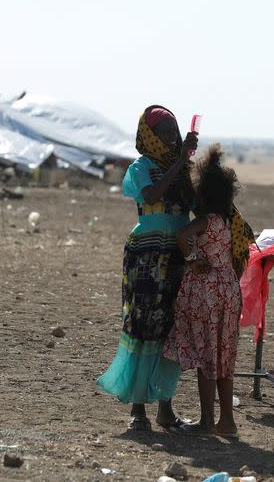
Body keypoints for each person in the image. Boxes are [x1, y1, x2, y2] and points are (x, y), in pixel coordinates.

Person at [97, 105, 198, 431]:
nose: (171, 137)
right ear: (149, 135)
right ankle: (138, 408)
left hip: (178, 255)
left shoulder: (183, 169)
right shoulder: (140, 168)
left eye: (174, 130)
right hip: (147, 256)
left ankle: (165, 408)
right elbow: (152, 194)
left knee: (172, 329)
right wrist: (181, 162)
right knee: (143, 326)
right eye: (165, 132)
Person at [162, 143, 249, 438]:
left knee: (206, 358)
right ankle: (228, 421)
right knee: (224, 357)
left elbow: (181, 235)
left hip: (206, 292)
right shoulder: (227, 221)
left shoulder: (205, 221)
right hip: (228, 290)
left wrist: (191, 260)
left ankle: (207, 421)